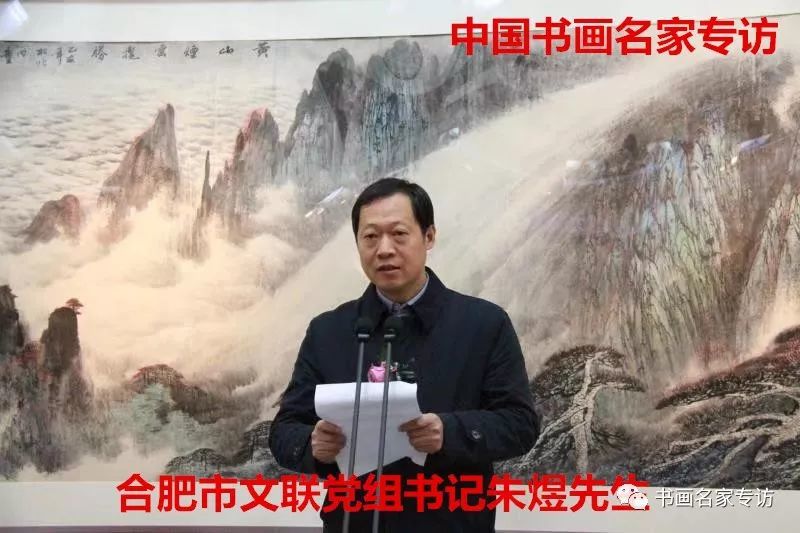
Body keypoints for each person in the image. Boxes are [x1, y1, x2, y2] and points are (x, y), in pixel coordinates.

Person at [268, 177, 539, 532]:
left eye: (398, 234)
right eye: (370, 237)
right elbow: (284, 429)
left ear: (429, 237)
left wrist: (449, 432)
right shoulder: (329, 330)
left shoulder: (484, 324)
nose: (384, 249)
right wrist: (312, 444)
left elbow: (520, 424)